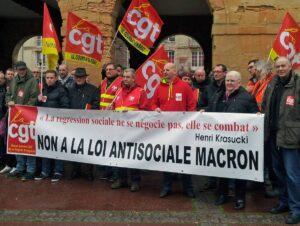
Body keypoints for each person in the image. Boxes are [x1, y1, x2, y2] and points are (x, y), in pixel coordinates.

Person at [206, 70, 258, 210]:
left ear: (239, 82)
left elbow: (254, 117)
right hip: (221, 140)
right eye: (227, 80)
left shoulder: (247, 98)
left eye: (232, 81)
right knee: (222, 168)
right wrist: (203, 112)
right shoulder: (219, 95)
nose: (229, 83)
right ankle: (222, 194)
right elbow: (211, 111)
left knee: (239, 171)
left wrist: (257, 116)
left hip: (240, 142)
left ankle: (240, 197)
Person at [262, 57, 300, 224]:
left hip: (291, 137)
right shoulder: (272, 84)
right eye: (278, 66)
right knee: (279, 174)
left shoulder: (297, 85)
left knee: (293, 175)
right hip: (273, 136)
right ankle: (284, 202)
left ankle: (296, 208)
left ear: (290, 66)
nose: (280, 69)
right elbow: (265, 105)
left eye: (283, 65)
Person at [151, 62, 196, 198]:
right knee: (166, 159)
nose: (164, 72)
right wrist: (155, 109)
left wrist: (188, 124)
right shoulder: (159, 87)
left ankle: (188, 187)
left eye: (167, 70)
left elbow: (192, 106)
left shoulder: (185, 86)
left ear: (174, 71)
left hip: (182, 131)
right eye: (164, 70)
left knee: (184, 159)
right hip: (165, 131)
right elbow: (153, 103)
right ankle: (167, 186)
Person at [110, 68, 148, 192]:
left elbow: (146, 111)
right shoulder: (119, 91)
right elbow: (114, 108)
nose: (125, 79)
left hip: (134, 130)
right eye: (124, 77)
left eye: (127, 77)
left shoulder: (140, 92)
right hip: (119, 129)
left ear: (133, 78)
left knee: (133, 156)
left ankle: (135, 181)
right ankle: (121, 179)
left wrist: (136, 112)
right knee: (120, 155)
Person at [6, 61, 39, 181]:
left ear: (26, 69)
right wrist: (9, 101)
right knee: (17, 142)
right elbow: (8, 94)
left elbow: (34, 97)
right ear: (16, 70)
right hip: (15, 116)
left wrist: (25, 109)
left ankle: (30, 170)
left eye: (23, 69)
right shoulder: (13, 80)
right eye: (20, 70)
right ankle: (19, 168)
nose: (22, 71)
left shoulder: (32, 81)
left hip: (28, 115)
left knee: (29, 143)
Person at [34, 70, 70, 182]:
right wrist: (38, 100)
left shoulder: (61, 90)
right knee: (45, 147)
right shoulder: (42, 90)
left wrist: (58, 119)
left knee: (57, 147)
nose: (49, 79)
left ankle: (58, 171)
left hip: (57, 125)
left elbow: (65, 107)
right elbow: (37, 107)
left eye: (51, 77)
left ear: (56, 78)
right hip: (44, 125)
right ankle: (45, 171)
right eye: (47, 77)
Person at [68, 68, 99, 181]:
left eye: (81, 77)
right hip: (73, 125)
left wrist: (89, 113)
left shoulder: (93, 90)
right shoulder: (70, 90)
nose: (79, 78)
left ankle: (89, 172)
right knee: (74, 147)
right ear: (74, 77)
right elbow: (66, 105)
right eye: (77, 77)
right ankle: (75, 170)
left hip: (88, 125)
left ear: (85, 77)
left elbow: (96, 106)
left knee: (88, 148)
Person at [99, 63, 123, 181]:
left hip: (114, 120)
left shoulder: (121, 82)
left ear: (116, 71)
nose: (108, 71)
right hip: (103, 119)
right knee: (106, 147)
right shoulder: (103, 82)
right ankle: (106, 172)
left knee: (114, 148)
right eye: (106, 69)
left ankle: (115, 173)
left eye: (110, 69)